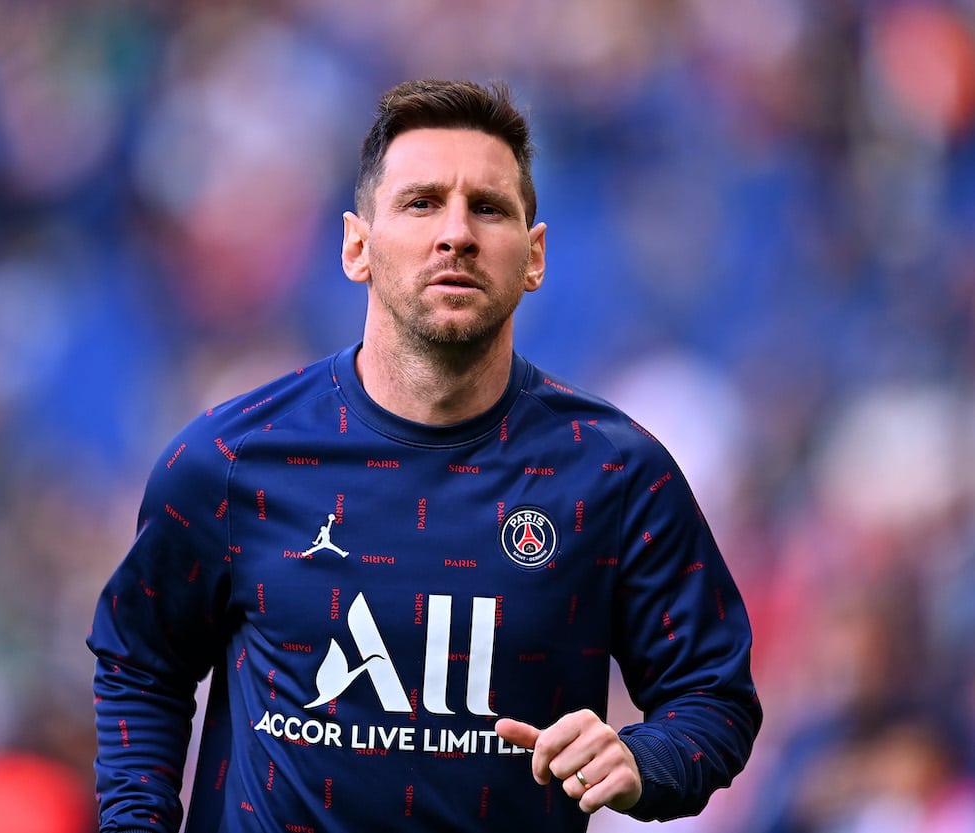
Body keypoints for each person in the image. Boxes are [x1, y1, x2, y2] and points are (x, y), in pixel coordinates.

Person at [88, 78, 762, 833]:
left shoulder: (612, 473)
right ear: (356, 246)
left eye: (489, 207)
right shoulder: (231, 461)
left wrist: (645, 759)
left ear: (534, 257)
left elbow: (714, 694)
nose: (457, 234)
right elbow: (140, 662)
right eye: (421, 203)